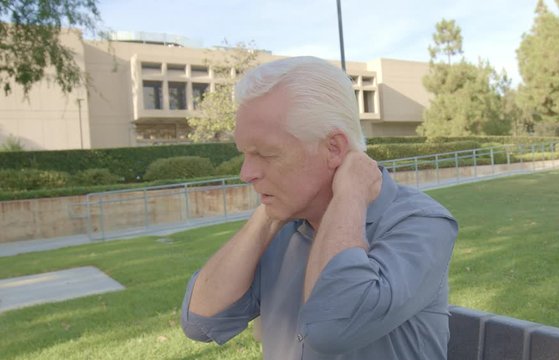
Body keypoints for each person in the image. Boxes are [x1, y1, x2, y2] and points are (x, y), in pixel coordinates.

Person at [180, 56, 458, 359]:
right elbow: (200, 320)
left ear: (334, 148)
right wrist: (267, 216)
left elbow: (329, 329)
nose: (246, 173)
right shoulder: (286, 223)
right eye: (245, 153)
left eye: (266, 154)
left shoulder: (421, 223)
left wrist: (350, 193)